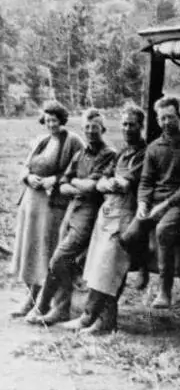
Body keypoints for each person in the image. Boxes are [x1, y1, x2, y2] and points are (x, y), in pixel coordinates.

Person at [60, 104, 147, 334]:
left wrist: (108, 183)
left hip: (125, 214)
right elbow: (102, 182)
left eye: (132, 124)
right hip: (108, 212)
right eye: (125, 124)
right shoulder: (121, 152)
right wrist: (106, 183)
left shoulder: (142, 154)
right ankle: (89, 318)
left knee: (109, 268)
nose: (128, 129)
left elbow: (123, 183)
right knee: (97, 267)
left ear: (141, 126)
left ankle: (104, 322)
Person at [25, 108, 116, 326]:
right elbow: (63, 184)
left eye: (95, 127)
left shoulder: (108, 154)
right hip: (72, 210)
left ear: (103, 129)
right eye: (87, 127)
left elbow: (92, 186)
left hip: (90, 213)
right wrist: (76, 185)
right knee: (59, 259)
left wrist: (74, 184)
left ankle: (45, 305)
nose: (90, 131)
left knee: (59, 258)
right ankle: (58, 308)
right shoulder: (80, 154)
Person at [10, 101, 84, 318]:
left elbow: (80, 170)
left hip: (51, 206)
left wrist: (55, 179)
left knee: (47, 251)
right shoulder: (42, 140)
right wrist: (28, 177)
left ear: (62, 120)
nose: (51, 124)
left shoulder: (72, 141)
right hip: (31, 204)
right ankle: (30, 299)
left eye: (55, 120)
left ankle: (48, 302)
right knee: (31, 251)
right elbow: (25, 165)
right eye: (48, 120)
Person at [121, 96, 180, 309]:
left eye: (170, 117)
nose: (166, 122)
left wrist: (165, 205)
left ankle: (164, 291)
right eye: (162, 119)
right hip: (154, 203)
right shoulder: (154, 147)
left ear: (179, 116)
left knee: (163, 231)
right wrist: (143, 203)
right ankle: (143, 266)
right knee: (128, 237)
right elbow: (145, 181)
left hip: (179, 203)